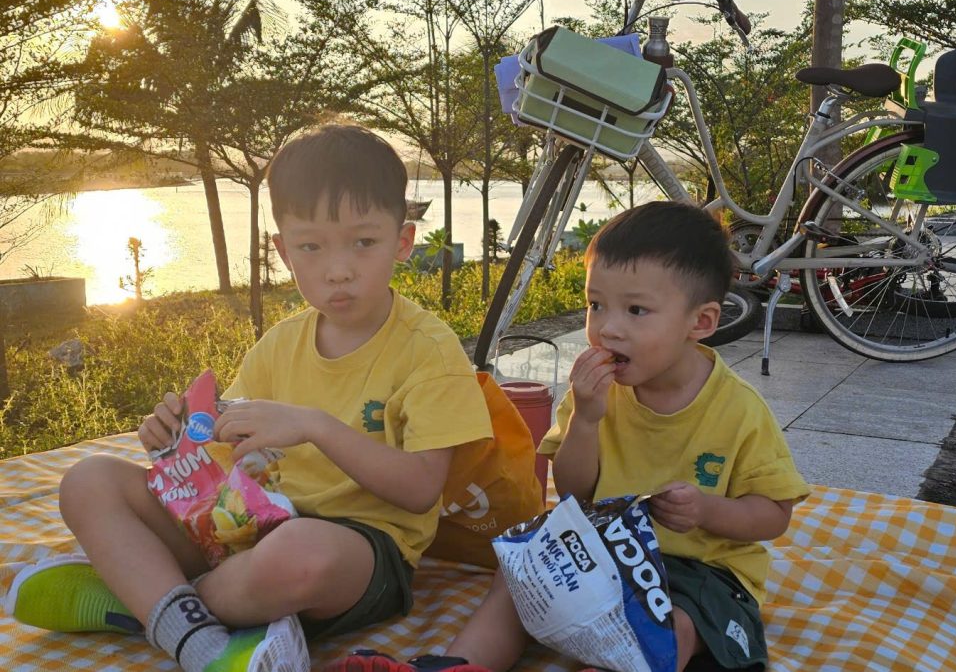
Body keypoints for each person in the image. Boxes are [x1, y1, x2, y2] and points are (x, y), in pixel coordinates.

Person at [7, 124, 493, 672]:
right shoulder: (280, 344)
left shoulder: (428, 351)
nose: (338, 270)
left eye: (364, 242)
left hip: (356, 552)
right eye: (310, 247)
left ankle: (144, 600)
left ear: (402, 242)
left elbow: (422, 490)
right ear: (283, 251)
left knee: (299, 552)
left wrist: (315, 426)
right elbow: (224, 445)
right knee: (88, 479)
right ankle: (192, 628)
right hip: (243, 529)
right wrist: (177, 437)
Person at [337, 201, 809, 672]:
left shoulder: (739, 410)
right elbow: (573, 491)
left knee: (675, 625)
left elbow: (774, 515)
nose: (607, 329)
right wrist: (585, 419)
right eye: (595, 305)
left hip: (699, 572)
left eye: (636, 310)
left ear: (701, 322)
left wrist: (707, 510)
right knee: (518, 580)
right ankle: (459, 664)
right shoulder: (595, 394)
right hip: (600, 550)